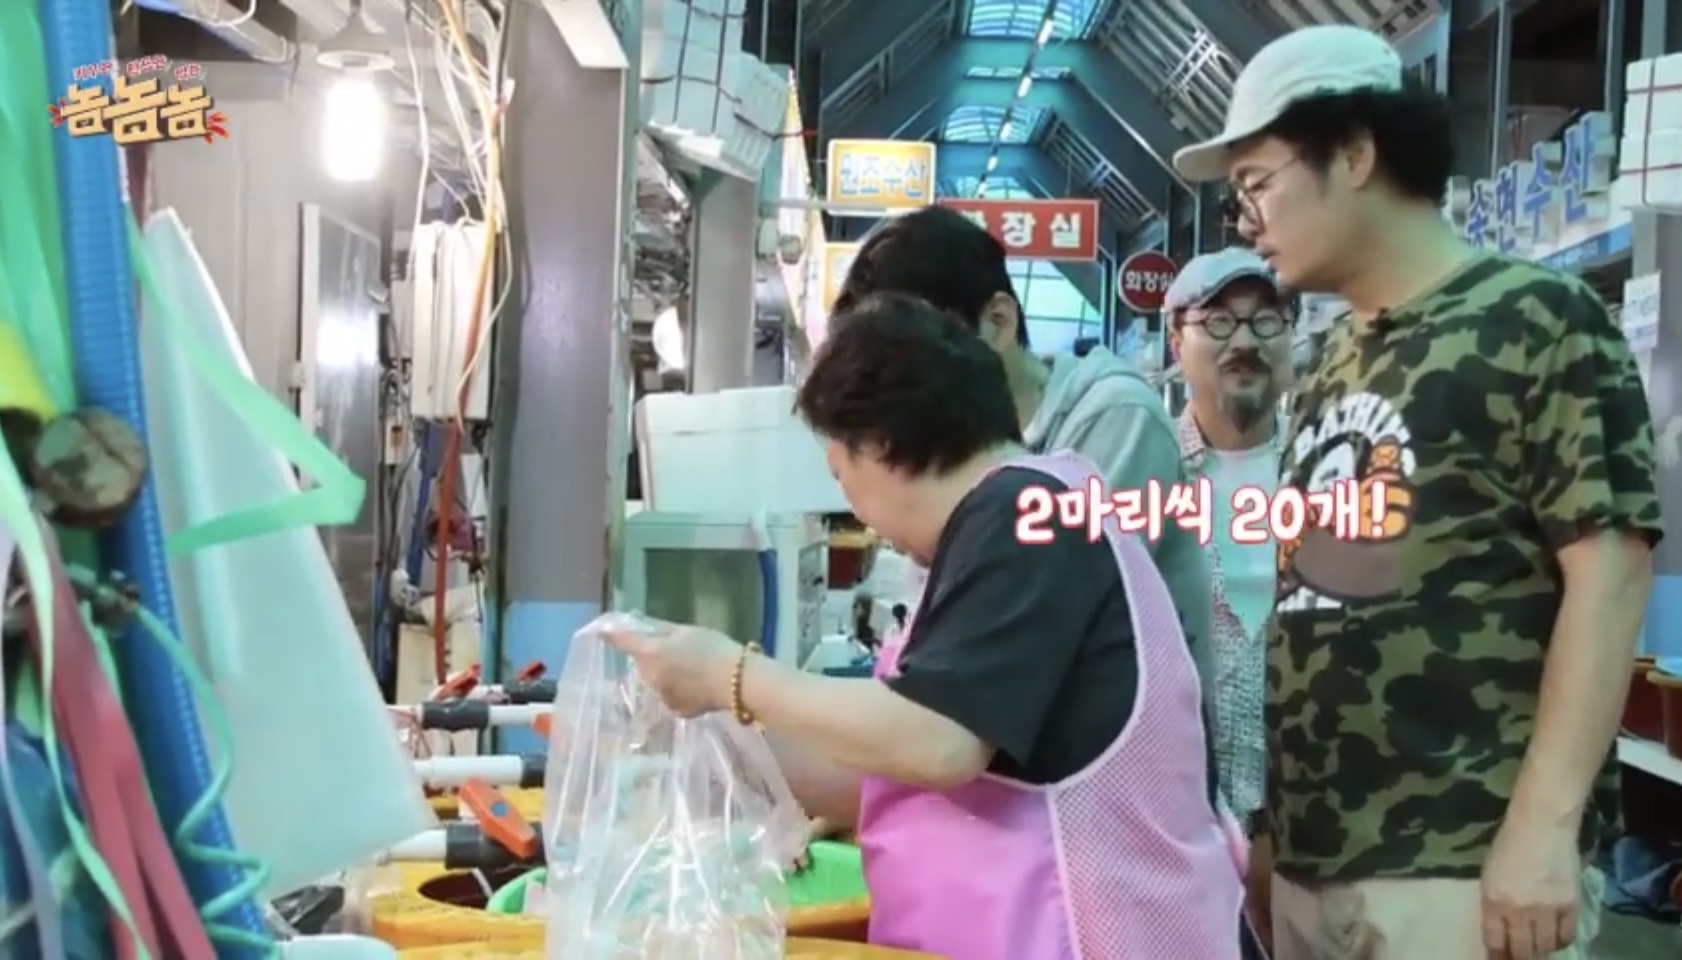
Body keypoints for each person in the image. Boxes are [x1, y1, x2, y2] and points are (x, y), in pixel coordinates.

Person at [1172, 23, 1662, 960]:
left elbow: (1610, 575)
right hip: (1317, 858)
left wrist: (1544, 825)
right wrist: (1274, 831)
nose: (1245, 219)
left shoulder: (1535, 319)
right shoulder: (1328, 361)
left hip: (1465, 859)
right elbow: (1311, 604)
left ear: (1354, 154)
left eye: (1258, 184)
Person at [604, 293, 1245, 960]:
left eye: (841, 475)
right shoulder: (1007, 523)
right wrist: (712, 748)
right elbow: (903, 770)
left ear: (880, 444)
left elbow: (939, 744)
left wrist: (732, 676)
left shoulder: (1027, 513)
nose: (857, 511)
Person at [832, 206, 1216, 702]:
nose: (895, 385)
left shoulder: (1116, 419)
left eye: (909, 355)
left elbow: (1036, 622)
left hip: (1121, 742)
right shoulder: (958, 444)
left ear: (997, 321)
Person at [1163, 248, 1292, 940]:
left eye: (1265, 320)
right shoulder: (1143, 470)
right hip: (1182, 827)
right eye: (1217, 322)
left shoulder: (1336, 466)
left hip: (1315, 833)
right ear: (1175, 340)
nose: (1244, 341)